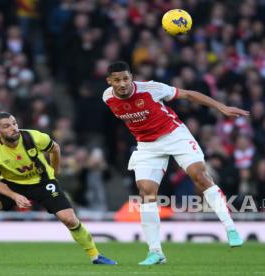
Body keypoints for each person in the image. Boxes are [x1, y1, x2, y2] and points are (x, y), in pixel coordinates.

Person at [102, 61, 248, 265]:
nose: (123, 84)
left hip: (174, 135)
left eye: (126, 78)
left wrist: (220, 107)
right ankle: (155, 252)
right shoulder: (107, 97)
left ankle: (230, 228)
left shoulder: (151, 89)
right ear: (109, 81)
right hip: (146, 145)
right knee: (145, 192)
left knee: (200, 176)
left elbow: (187, 94)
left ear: (131, 77)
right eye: (117, 80)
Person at [0, 111, 117, 265]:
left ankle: (95, 256)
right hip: (12, 184)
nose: (14, 128)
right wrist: (14, 195)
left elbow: (55, 148)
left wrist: (54, 170)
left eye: (14, 123)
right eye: (7, 126)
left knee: (69, 219)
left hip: (42, 182)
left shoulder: (33, 137)